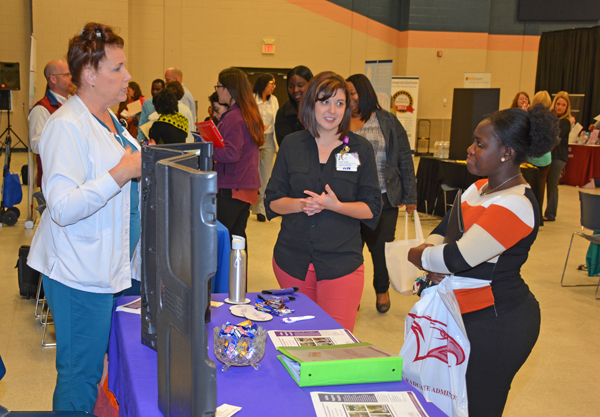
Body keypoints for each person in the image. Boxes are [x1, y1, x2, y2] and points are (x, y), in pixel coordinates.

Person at [407, 104, 559, 417]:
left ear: (507, 152)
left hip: (498, 323)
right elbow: (441, 233)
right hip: (461, 314)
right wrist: (431, 257)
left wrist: (416, 254)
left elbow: (453, 257)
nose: (470, 149)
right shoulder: (477, 189)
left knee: (478, 407)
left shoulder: (516, 203)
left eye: (480, 143)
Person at [27, 22, 141, 412]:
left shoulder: (111, 121)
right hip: (79, 272)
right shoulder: (66, 126)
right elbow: (61, 208)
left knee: (107, 367)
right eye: (118, 68)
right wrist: (123, 172)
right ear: (88, 75)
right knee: (81, 372)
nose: (127, 77)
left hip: (112, 267)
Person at [265, 71, 381, 332]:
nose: (332, 110)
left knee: (336, 344)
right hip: (292, 262)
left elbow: (371, 208)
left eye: (340, 103)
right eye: (325, 101)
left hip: (341, 264)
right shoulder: (292, 145)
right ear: (311, 104)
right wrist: (302, 204)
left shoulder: (360, 149)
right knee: (296, 340)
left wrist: (335, 205)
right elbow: (272, 201)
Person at [346, 73, 417, 313]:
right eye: (346, 93)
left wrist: (410, 197)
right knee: (350, 252)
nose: (348, 98)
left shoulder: (387, 120)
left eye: (352, 92)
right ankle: (351, 294)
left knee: (380, 250)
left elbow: (404, 158)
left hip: (384, 197)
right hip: (349, 201)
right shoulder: (340, 120)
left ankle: (381, 290)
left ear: (364, 93)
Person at [213, 67, 264, 241]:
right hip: (244, 187)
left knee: (221, 238)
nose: (217, 90)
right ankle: (239, 270)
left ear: (228, 89)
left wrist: (208, 148)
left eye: (218, 86)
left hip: (231, 188)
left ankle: (225, 270)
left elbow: (231, 153)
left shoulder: (234, 117)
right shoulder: (248, 113)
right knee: (237, 239)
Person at [29, 60, 73, 187]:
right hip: (55, 180)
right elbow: (36, 145)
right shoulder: (41, 109)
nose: (71, 78)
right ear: (53, 79)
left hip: (74, 175)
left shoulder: (74, 104)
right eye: (66, 75)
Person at [252, 73, 279, 222]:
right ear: (263, 84)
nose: (274, 86)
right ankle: (252, 204)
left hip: (268, 140)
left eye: (275, 84)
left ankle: (261, 209)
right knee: (254, 174)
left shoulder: (274, 100)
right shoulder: (252, 99)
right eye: (271, 83)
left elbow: (276, 121)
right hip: (253, 140)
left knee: (266, 175)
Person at [527, 91, 554, 225]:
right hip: (545, 158)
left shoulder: (529, 117)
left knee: (527, 187)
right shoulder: (551, 118)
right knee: (541, 187)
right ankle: (538, 218)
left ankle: (528, 215)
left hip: (530, 157)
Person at [545, 91, 572, 222]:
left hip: (558, 157)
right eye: (558, 104)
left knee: (552, 184)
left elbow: (555, 137)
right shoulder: (552, 118)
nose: (560, 107)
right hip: (550, 156)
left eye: (563, 105)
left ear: (567, 107)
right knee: (548, 183)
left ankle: (550, 214)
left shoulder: (565, 122)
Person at [274, 65, 313, 146]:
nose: (295, 90)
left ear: (311, 84)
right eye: (291, 86)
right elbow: (284, 146)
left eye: (300, 85)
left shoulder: (321, 109)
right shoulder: (283, 113)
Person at [137, 78, 164, 143]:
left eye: (157, 89)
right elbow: (142, 123)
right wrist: (140, 141)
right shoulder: (147, 104)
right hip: (150, 140)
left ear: (163, 90)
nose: (154, 92)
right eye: (153, 89)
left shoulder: (167, 103)